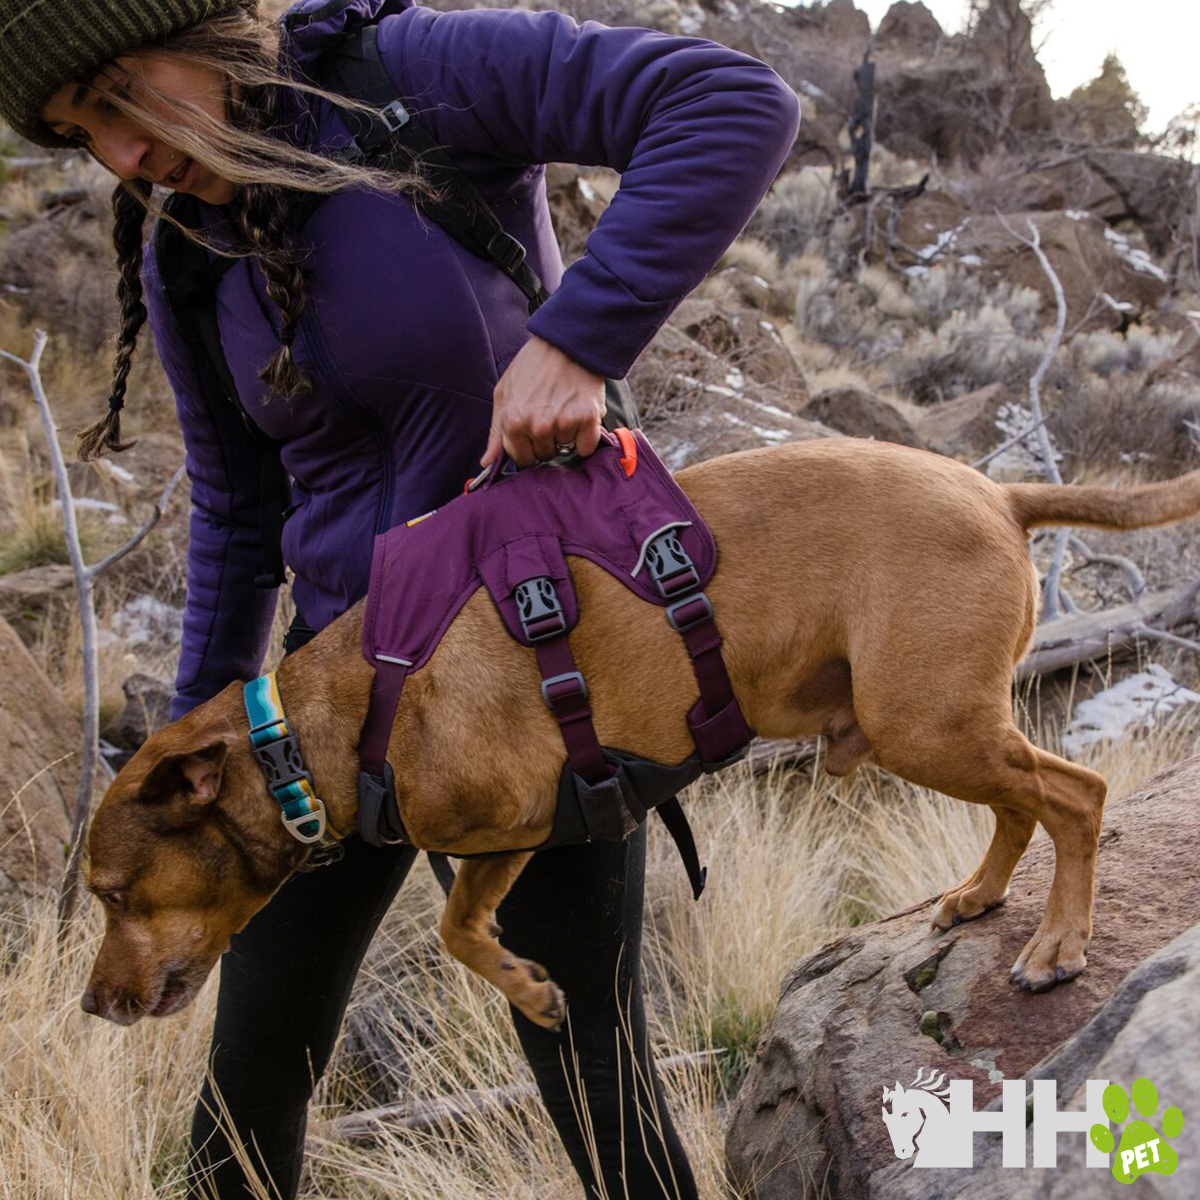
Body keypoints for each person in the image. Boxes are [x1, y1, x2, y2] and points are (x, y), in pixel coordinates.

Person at [0, 0, 800, 1194]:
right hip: (318, 713)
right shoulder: (185, 248)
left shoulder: (408, 76)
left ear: (207, 23)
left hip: (528, 682)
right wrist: (201, 722)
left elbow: (732, 106)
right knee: (252, 1074)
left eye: (118, 93)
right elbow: (234, 513)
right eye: (80, 134)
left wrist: (580, 338)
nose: (121, 154)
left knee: (593, 1076)